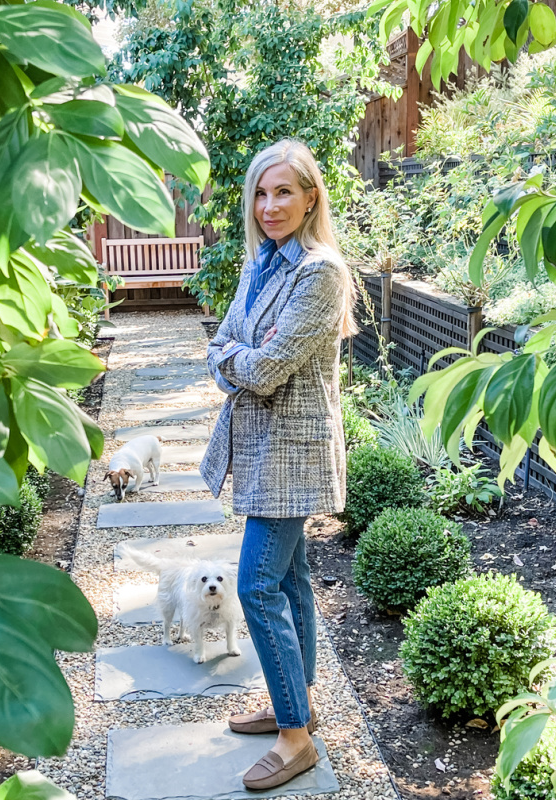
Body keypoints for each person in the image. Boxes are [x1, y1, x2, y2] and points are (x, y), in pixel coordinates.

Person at [200, 138, 357, 791]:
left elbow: (262, 369)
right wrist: (235, 353)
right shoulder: (260, 264)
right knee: (289, 585)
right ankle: (298, 703)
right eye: (261, 193)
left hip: (294, 452)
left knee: (257, 586)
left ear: (310, 196)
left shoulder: (319, 273)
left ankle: (296, 739)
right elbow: (222, 344)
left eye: (284, 191)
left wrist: (236, 356)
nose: (270, 205)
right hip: (265, 449)